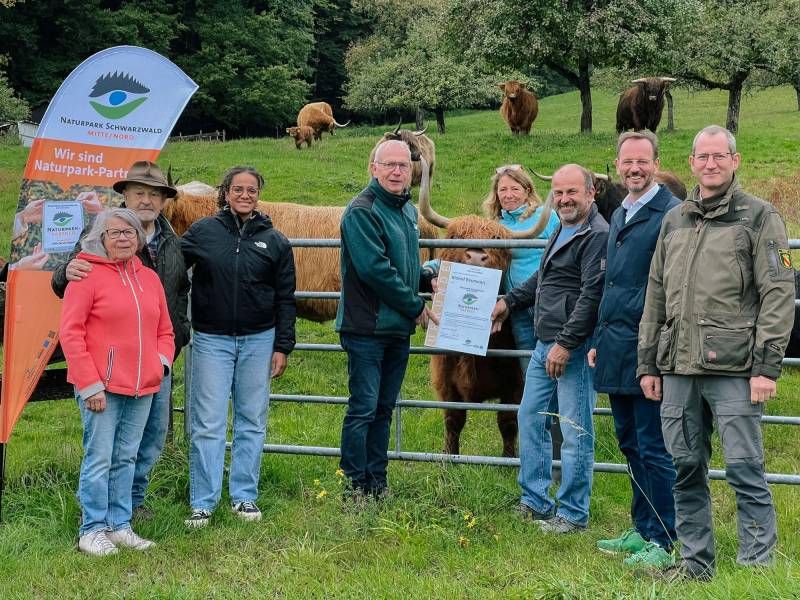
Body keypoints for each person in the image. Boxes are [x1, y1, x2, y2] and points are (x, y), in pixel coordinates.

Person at [638, 125, 794, 580]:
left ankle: (757, 568)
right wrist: (649, 362)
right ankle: (694, 563)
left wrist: (767, 367)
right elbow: (656, 293)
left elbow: (779, 293)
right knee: (685, 466)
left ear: (735, 160)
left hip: (736, 369)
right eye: (702, 157)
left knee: (745, 468)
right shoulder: (675, 220)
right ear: (691, 163)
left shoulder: (760, 217)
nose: (710, 164)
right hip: (678, 368)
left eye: (719, 156)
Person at [52, 160, 190, 520]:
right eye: (139, 193)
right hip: (110, 366)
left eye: (154, 194)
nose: (146, 200)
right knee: (105, 445)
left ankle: (131, 502)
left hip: (157, 362)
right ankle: (97, 517)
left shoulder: (173, 242)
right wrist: (65, 272)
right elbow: (65, 281)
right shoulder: (102, 235)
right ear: (125, 196)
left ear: (163, 200)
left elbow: (177, 293)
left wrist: (174, 342)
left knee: (150, 437)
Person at [491, 164, 608, 533]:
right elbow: (544, 278)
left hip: (570, 348)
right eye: (558, 193)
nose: (564, 199)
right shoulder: (561, 227)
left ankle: (573, 513)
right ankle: (535, 499)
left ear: (591, 193)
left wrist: (566, 344)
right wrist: (509, 302)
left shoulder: (597, 235)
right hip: (546, 342)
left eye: (572, 192)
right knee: (530, 417)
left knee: (574, 429)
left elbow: (592, 295)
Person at [181, 165, 296, 528]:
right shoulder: (202, 232)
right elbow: (170, 268)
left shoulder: (275, 241)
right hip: (212, 339)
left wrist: (283, 346)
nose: (245, 196)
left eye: (252, 190)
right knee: (209, 421)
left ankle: (244, 496)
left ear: (258, 194)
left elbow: (285, 298)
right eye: (238, 189)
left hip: (258, 340)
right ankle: (203, 501)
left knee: (251, 419)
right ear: (225, 193)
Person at [588, 131, 679, 570]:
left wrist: (659, 355)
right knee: (628, 442)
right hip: (617, 346)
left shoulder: (671, 215)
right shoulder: (622, 211)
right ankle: (642, 528)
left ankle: (663, 538)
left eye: (643, 161)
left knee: (653, 445)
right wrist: (597, 342)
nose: (634, 169)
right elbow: (612, 284)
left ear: (656, 163)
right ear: (618, 164)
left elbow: (672, 292)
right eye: (627, 162)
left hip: (650, 353)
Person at [59, 207, 174, 556]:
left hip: (143, 386)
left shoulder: (149, 278)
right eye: (115, 233)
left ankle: (119, 525)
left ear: (139, 239)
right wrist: (89, 384)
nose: (123, 238)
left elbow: (165, 330)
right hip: (101, 388)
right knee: (99, 457)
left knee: (125, 457)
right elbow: (71, 333)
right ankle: (91, 528)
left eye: (130, 233)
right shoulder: (86, 275)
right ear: (101, 238)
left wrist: (161, 364)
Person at [336, 139, 437, 500]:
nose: (397, 171)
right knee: (363, 408)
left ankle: (376, 483)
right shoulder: (362, 210)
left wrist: (427, 277)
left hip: (395, 329)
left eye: (404, 166)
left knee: (383, 409)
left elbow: (403, 265)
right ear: (373, 168)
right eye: (390, 165)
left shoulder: (407, 212)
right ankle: (354, 486)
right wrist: (415, 306)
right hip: (366, 328)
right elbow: (375, 270)